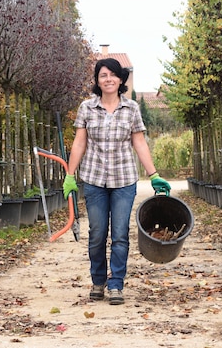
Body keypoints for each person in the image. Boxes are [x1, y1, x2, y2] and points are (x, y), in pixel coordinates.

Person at [63, 57, 171, 305]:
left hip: (124, 180)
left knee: (120, 234)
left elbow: (139, 142)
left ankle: (116, 285)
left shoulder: (131, 108)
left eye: (113, 75)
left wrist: (153, 174)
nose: (108, 79)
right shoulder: (86, 108)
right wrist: (70, 174)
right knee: (98, 233)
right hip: (94, 180)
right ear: (97, 81)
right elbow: (80, 142)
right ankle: (98, 281)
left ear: (121, 79)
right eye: (103, 75)